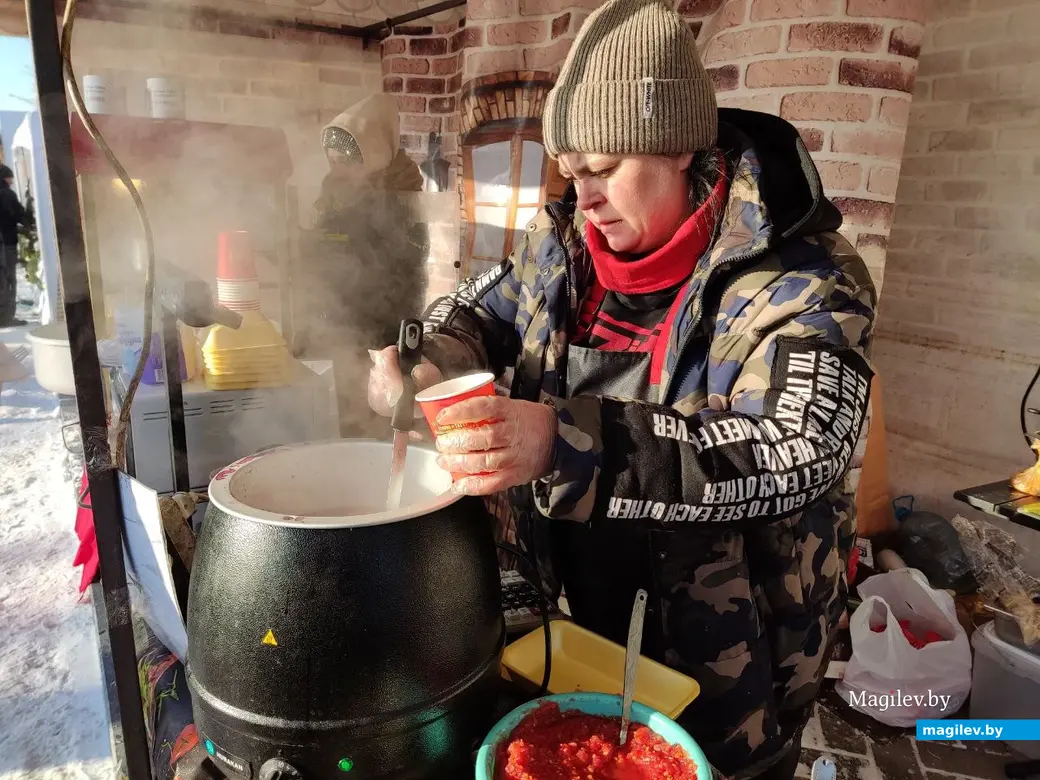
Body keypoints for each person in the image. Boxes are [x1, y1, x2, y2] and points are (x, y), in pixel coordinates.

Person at [368, 0, 877, 776]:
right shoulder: (563, 248)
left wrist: (562, 442)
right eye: (571, 175)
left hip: (730, 665)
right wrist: (430, 357)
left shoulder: (805, 280)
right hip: (572, 625)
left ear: (676, 150)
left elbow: (799, 448)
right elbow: (474, 309)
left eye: (603, 170)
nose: (585, 197)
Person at [297, 94, 429, 437]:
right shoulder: (336, 196)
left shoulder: (403, 198)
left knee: (375, 427)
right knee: (334, 422)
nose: (336, 169)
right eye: (332, 160)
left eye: (346, 161)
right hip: (336, 325)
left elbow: (399, 274)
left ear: (374, 156)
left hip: (379, 332)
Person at [0, 164, 33, 326]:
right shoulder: (6, 194)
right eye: (10, 178)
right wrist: (30, 205)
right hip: (6, 245)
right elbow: (20, 217)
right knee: (8, 280)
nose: (12, 181)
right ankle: (5, 319)